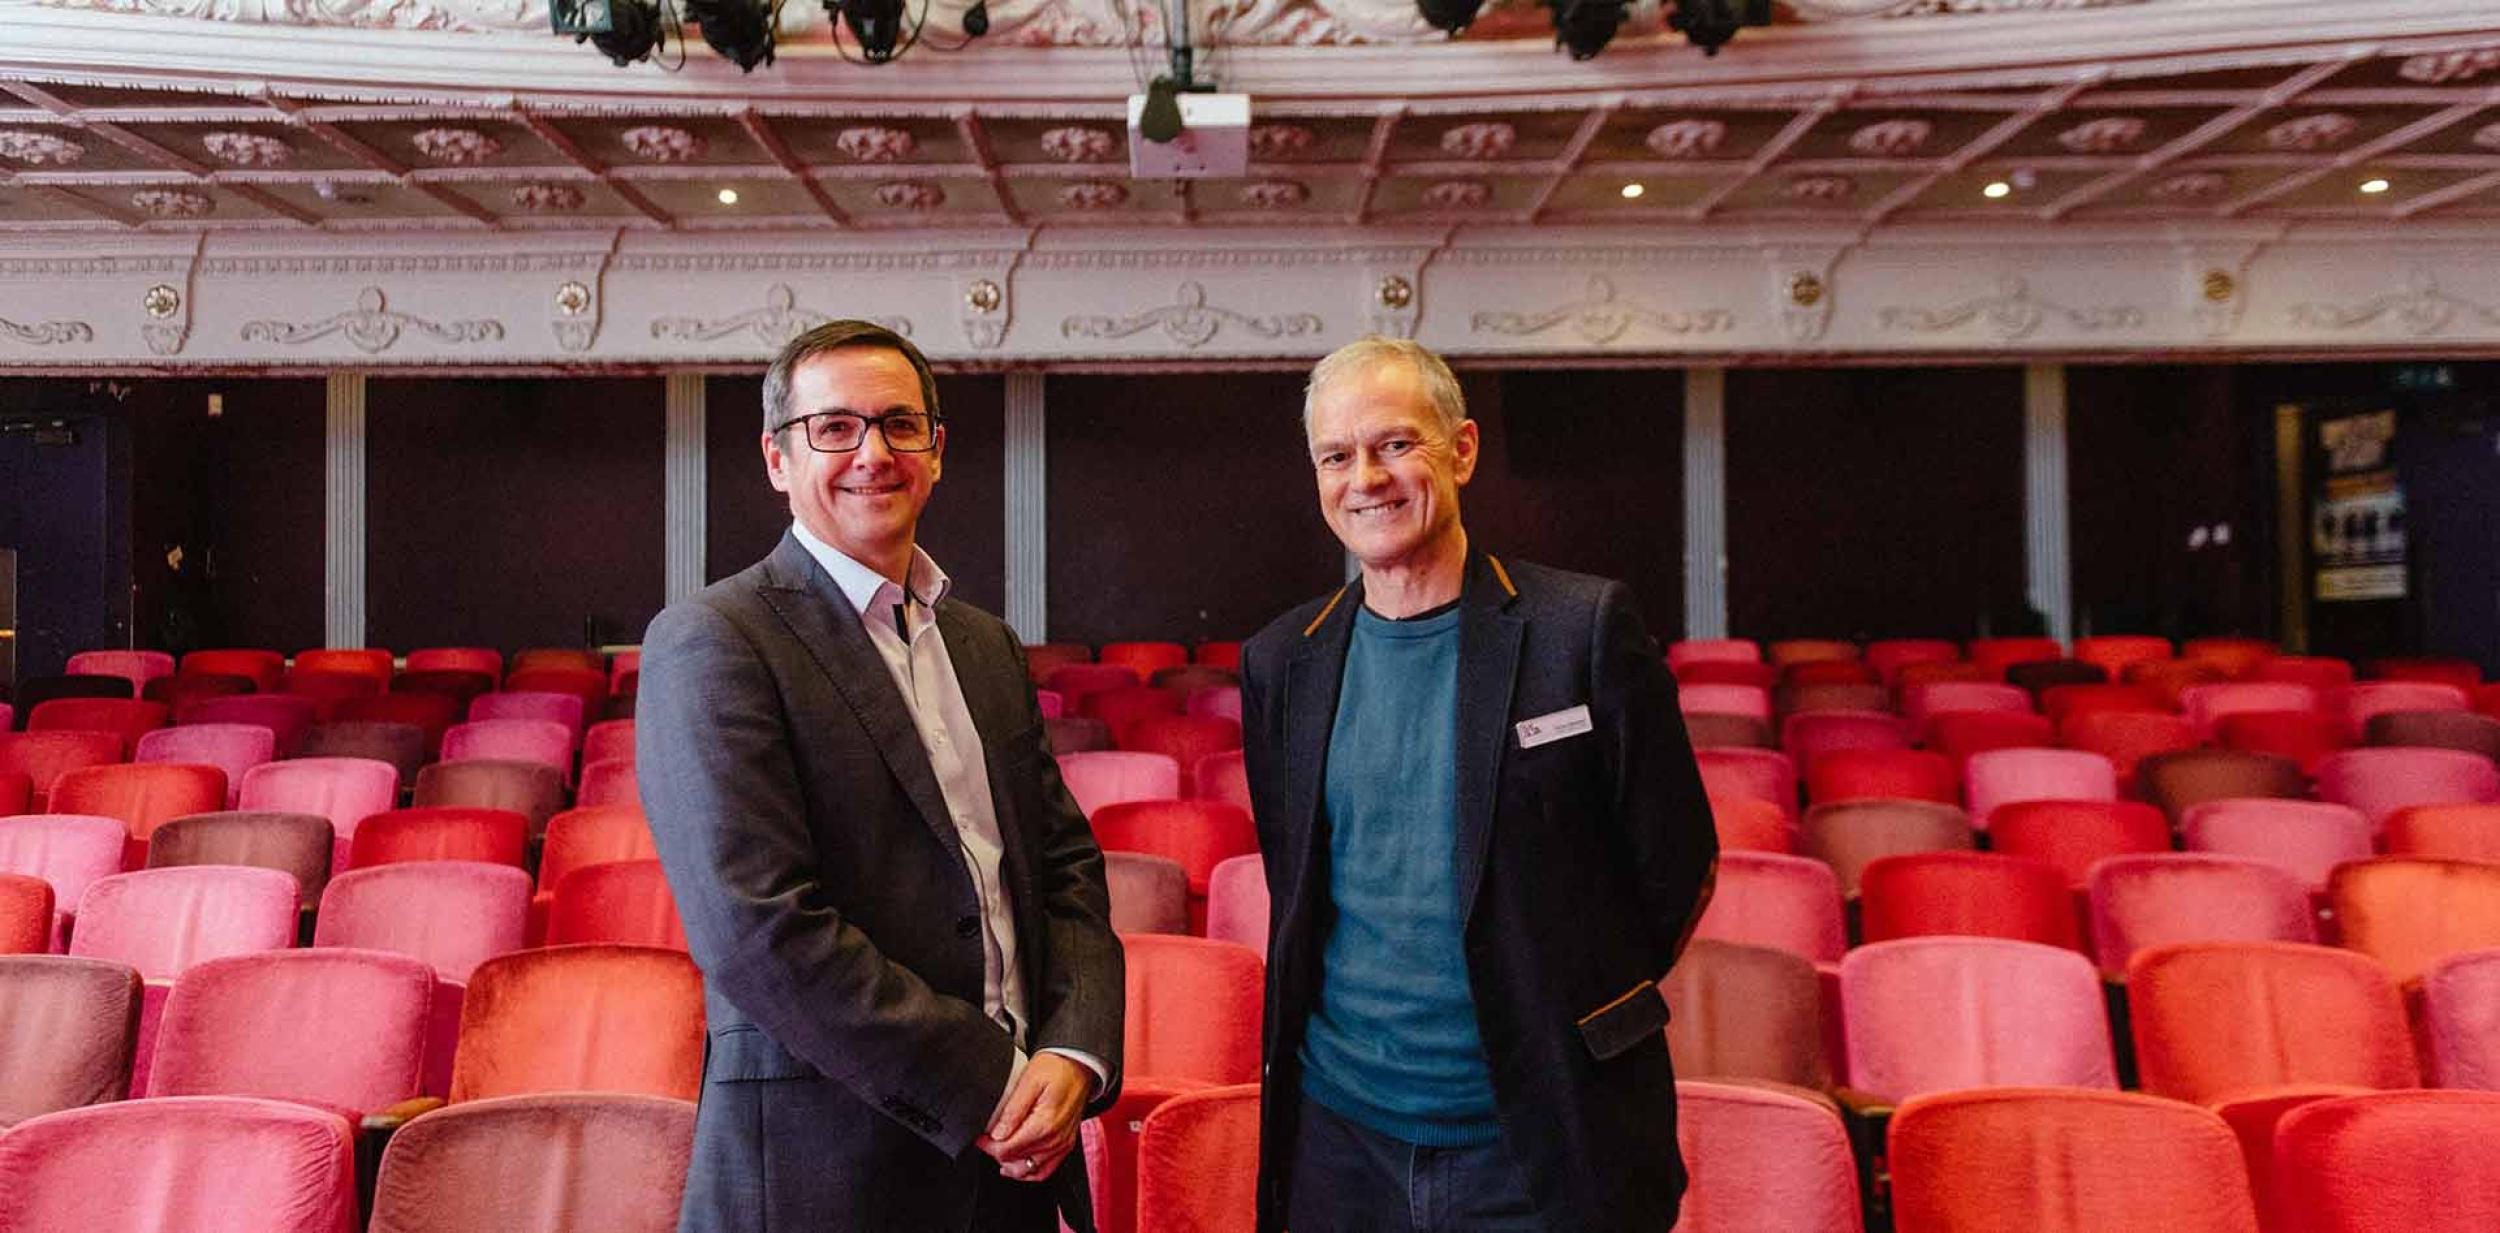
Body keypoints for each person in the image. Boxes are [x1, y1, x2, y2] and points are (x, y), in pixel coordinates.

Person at [637, 320, 1124, 1233]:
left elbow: (1066, 872)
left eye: (901, 425)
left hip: (1012, 1172)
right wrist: (989, 1082)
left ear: (936, 451)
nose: (873, 453)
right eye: (835, 428)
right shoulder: (716, 639)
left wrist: (1075, 1049)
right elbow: (758, 927)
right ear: (778, 459)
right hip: (826, 1176)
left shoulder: (984, 645)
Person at [1238, 336, 1719, 1233]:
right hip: (1340, 1143)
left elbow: (1677, 858)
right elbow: (1296, 877)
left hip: (1541, 1132)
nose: (1366, 478)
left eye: (1395, 444)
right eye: (1336, 456)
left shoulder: (1581, 627)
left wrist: (1566, 996)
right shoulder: (1281, 661)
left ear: (1460, 449)